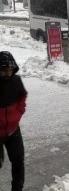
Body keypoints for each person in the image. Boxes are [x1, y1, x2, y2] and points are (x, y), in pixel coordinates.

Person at [0, 51, 27, 191]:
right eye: (4, 70)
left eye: (10, 70)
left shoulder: (16, 81)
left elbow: (23, 95)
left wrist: (19, 112)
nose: (8, 74)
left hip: (13, 130)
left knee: (18, 162)